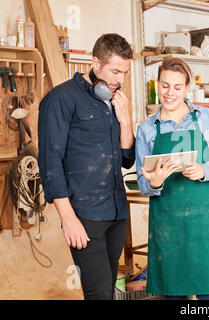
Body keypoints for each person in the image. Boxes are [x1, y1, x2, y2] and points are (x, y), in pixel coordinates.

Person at [38, 33, 135, 300]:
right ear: (95, 63)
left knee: (109, 289)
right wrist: (68, 219)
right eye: (116, 71)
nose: (120, 80)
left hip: (116, 211)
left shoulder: (115, 101)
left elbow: (127, 159)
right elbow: (50, 163)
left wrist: (125, 119)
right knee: (99, 294)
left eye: (125, 73)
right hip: (85, 215)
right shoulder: (61, 99)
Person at [135, 57, 209, 300]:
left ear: (187, 88)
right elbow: (142, 180)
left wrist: (204, 171)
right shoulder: (147, 129)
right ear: (157, 84)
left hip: (207, 219)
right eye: (165, 85)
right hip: (169, 224)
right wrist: (155, 182)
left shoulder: (207, 119)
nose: (170, 93)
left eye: (177, 87)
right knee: (174, 292)